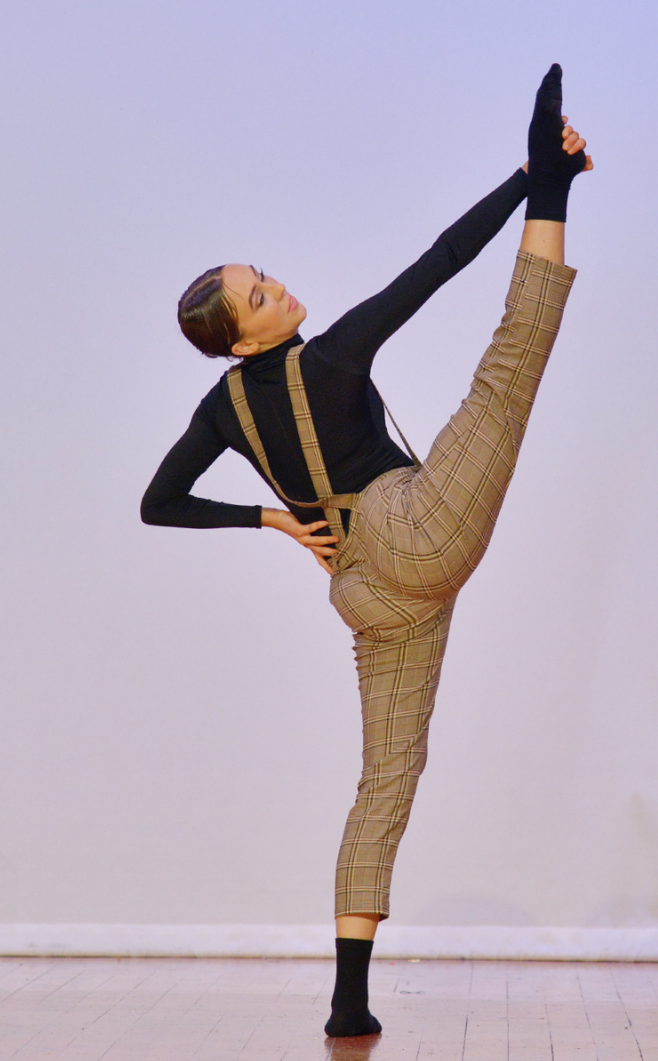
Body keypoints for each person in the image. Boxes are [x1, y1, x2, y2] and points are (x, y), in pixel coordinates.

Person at [141, 64, 592, 1038]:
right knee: (505, 378)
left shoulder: (219, 408)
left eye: (267, 275)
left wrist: (270, 521)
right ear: (238, 336)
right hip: (412, 528)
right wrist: (531, 183)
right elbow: (438, 262)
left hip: (364, 589)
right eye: (261, 295)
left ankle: (349, 996)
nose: (281, 288)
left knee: (386, 777)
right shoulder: (332, 354)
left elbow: (158, 502)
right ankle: (558, 194)